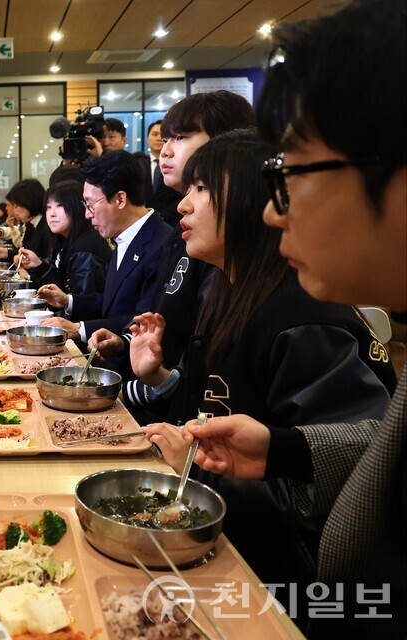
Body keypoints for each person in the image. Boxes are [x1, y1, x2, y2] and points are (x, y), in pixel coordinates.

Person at [177, 2, 405, 635]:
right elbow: (371, 442)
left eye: (294, 172)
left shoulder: (302, 310)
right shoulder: (226, 291)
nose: (279, 212)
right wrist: (282, 450)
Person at [128, 130, 394, 597]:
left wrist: (200, 469)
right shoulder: (224, 287)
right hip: (218, 531)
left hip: (284, 578)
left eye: (202, 189)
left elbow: (345, 483)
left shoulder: (302, 316)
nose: (182, 206)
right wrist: (160, 376)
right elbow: (218, 404)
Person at [89, 91, 257, 373]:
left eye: (180, 137)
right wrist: (127, 342)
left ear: (227, 141)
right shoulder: (180, 240)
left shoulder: (230, 253)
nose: (165, 150)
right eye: (166, 139)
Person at [38, 151, 171, 362]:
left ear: (120, 199)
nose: (87, 214)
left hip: (135, 373)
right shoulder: (123, 235)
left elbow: (145, 319)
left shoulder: (162, 244)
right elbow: (113, 300)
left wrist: (79, 328)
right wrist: (69, 301)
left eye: (91, 205)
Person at [20, 180, 111, 298]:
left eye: (60, 205)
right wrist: (38, 265)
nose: (52, 213)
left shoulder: (86, 246)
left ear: (77, 207)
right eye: (48, 207)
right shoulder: (64, 241)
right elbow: (61, 286)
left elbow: (82, 302)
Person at [0, 179, 52, 263]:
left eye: (16, 205)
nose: (14, 210)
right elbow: (26, 253)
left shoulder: (47, 227)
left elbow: (44, 263)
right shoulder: (30, 224)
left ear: (29, 202)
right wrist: (7, 253)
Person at [135, 119, 182, 223]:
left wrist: (163, 215)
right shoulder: (138, 163)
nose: (159, 138)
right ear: (148, 139)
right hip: (140, 220)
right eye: (154, 134)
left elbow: (181, 194)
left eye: (162, 135)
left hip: (170, 222)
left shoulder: (178, 164)